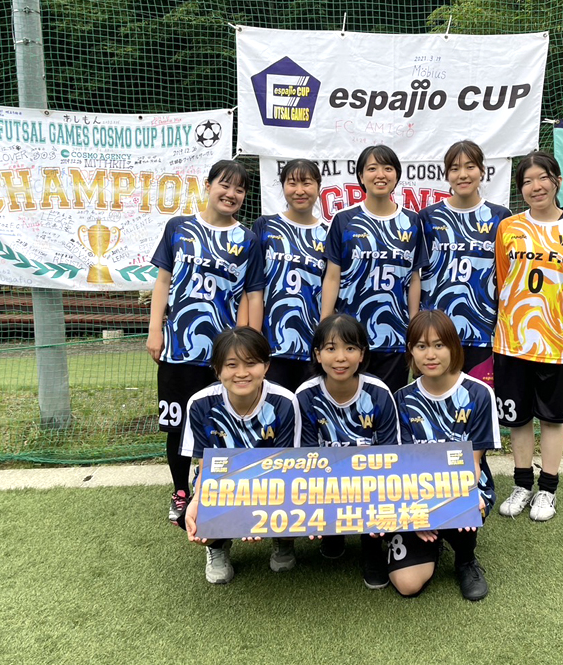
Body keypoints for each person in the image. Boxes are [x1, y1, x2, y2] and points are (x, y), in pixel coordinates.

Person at [147, 159, 264, 528]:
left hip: (221, 357)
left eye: (240, 189)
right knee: (178, 425)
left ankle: (213, 488)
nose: (231, 194)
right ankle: (181, 491)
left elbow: (251, 296)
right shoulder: (179, 228)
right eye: (225, 185)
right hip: (178, 350)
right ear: (209, 185)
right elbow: (163, 282)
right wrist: (155, 330)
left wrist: (247, 348)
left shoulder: (247, 240)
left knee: (219, 425)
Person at [494, 150, 563, 522]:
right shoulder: (508, 228)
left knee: (552, 419)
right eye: (527, 181)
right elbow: (504, 281)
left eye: (542, 178)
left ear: (557, 182)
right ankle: (522, 484)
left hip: (557, 343)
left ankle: (547, 491)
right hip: (512, 340)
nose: (535, 186)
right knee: (518, 418)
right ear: (520, 188)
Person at [391, 310, 499, 601]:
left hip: (465, 485)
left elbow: (473, 463)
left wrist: (461, 499)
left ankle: (465, 559)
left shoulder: (478, 394)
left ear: (454, 347)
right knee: (407, 584)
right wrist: (418, 513)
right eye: (421, 346)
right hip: (417, 490)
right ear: (411, 351)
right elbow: (403, 466)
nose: (430, 354)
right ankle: (432, 542)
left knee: (469, 503)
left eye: (439, 345)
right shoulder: (402, 398)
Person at [182, 327, 301, 583]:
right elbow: (207, 469)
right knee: (197, 516)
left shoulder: (285, 401)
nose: (242, 373)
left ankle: (283, 541)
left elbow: (287, 466)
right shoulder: (200, 404)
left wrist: (255, 510)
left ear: (266, 366)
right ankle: (217, 546)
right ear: (217, 369)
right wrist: (196, 503)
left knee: (299, 497)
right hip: (223, 483)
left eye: (251, 363)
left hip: (273, 482)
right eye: (231, 365)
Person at [295, 313, 400, 589]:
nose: (340, 357)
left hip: (370, 482)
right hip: (326, 482)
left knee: (383, 478)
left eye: (350, 348)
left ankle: (371, 545)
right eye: (331, 349)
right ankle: (333, 532)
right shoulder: (305, 396)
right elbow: (305, 458)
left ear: (362, 354)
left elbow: (392, 456)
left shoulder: (379, 393)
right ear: (317, 355)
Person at [321, 145, 426, 393]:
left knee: (388, 405)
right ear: (360, 176)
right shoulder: (344, 219)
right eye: (372, 168)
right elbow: (332, 276)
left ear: (397, 175)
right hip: (350, 337)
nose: (380, 174)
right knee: (350, 406)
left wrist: (413, 327)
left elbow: (414, 279)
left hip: (395, 336)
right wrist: (326, 327)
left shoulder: (412, 221)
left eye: (388, 168)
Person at [419, 140, 512, 386]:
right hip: (436, 334)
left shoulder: (501, 218)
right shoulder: (428, 217)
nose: (463, 174)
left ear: (482, 171)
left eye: (470, 167)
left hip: (482, 332)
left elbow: (506, 276)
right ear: (446, 174)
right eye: (454, 168)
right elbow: (415, 276)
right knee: (434, 408)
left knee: (477, 407)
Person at [253, 159, 328, 391]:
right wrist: (254, 340)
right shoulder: (265, 226)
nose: (299, 190)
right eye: (292, 183)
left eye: (306, 183)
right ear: (283, 186)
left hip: (313, 346)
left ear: (318, 187)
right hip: (271, 345)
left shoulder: (328, 233)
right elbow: (253, 286)